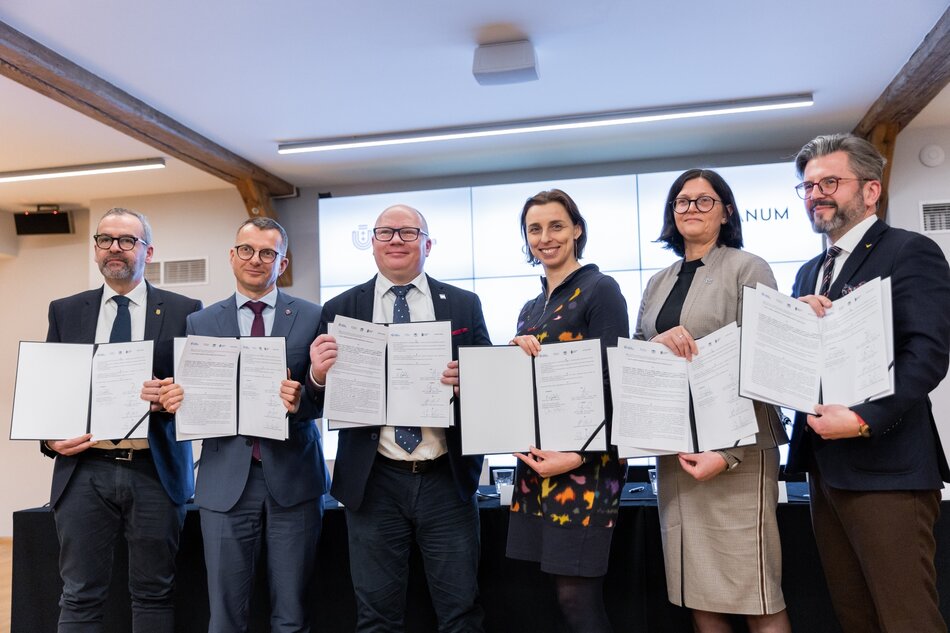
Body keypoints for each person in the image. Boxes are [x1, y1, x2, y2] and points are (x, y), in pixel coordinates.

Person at [787, 133, 950, 633]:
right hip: (825, 470)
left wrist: (861, 420)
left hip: (888, 468)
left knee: (907, 620)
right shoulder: (809, 272)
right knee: (853, 615)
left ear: (872, 190)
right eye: (808, 185)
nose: (816, 193)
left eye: (829, 182)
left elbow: (927, 354)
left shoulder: (909, 251)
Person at [307, 204, 490, 633]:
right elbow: (311, 404)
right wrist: (316, 374)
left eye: (407, 233)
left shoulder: (464, 304)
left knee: (461, 611)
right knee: (376, 617)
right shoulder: (340, 307)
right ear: (372, 243)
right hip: (374, 482)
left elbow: (489, 388)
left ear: (427, 244)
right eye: (385, 232)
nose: (395, 240)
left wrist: (473, 382)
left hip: (446, 477)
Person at [635, 169, 790, 633]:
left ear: (725, 211)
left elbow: (764, 359)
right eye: (682, 201)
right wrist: (656, 343)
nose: (691, 209)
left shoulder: (748, 266)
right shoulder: (658, 281)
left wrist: (727, 453)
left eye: (704, 201)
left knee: (755, 591)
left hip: (735, 453)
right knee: (697, 588)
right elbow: (638, 354)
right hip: (677, 452)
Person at [159, 217, 327, 633]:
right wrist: (178, 401)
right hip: (225, 481)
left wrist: (303, 396)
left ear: (282, 261)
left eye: (268, 252)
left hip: (294, 477)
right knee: (225, 616)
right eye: (247, 250)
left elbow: (326, 397)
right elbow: (194, 395)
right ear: (232, 256)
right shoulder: (201, 321)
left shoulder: (312, 316)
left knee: (292, 614)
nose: (256, 259)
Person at [41, 207, 202, 632]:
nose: (115, 248)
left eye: (127, 240)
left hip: (156, 467)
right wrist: (50, 438)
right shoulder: (65, 310)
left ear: (148, 250)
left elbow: (201, 392)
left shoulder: (187, 309)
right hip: (84, 470)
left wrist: (173, 397)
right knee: (79, 593)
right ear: (95, 249)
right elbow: (52, 390)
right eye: (105, 239)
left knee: (154, 592)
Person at [507, 189, 628, 633]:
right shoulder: (530, 307)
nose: (545, 237)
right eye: (534, 229)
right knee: (556, 596)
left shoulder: (601, 289)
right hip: (541, 468)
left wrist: (577, 456)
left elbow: (616, 381)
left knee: (578, 598)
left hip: (585, 467)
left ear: (577, 229)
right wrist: (511, 355)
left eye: (556, 225)